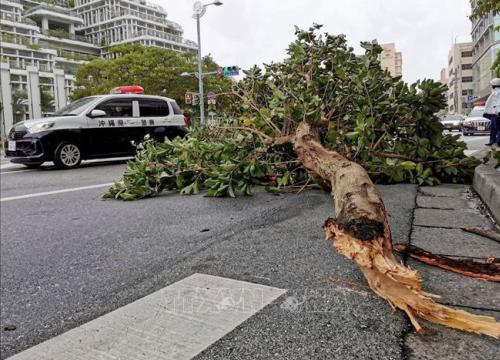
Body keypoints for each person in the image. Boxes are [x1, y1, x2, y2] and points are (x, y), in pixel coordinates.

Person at [484, 78, 500, 146]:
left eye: (492, 85)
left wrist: (498, 111)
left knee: (498, 128)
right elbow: (490, 104)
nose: (491, 86)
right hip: (493, 114)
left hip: (497, 114)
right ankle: (492, 141)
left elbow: (498, 103)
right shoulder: (494, 92)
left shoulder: (498, 92)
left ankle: (498, 141)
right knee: (493, 129)